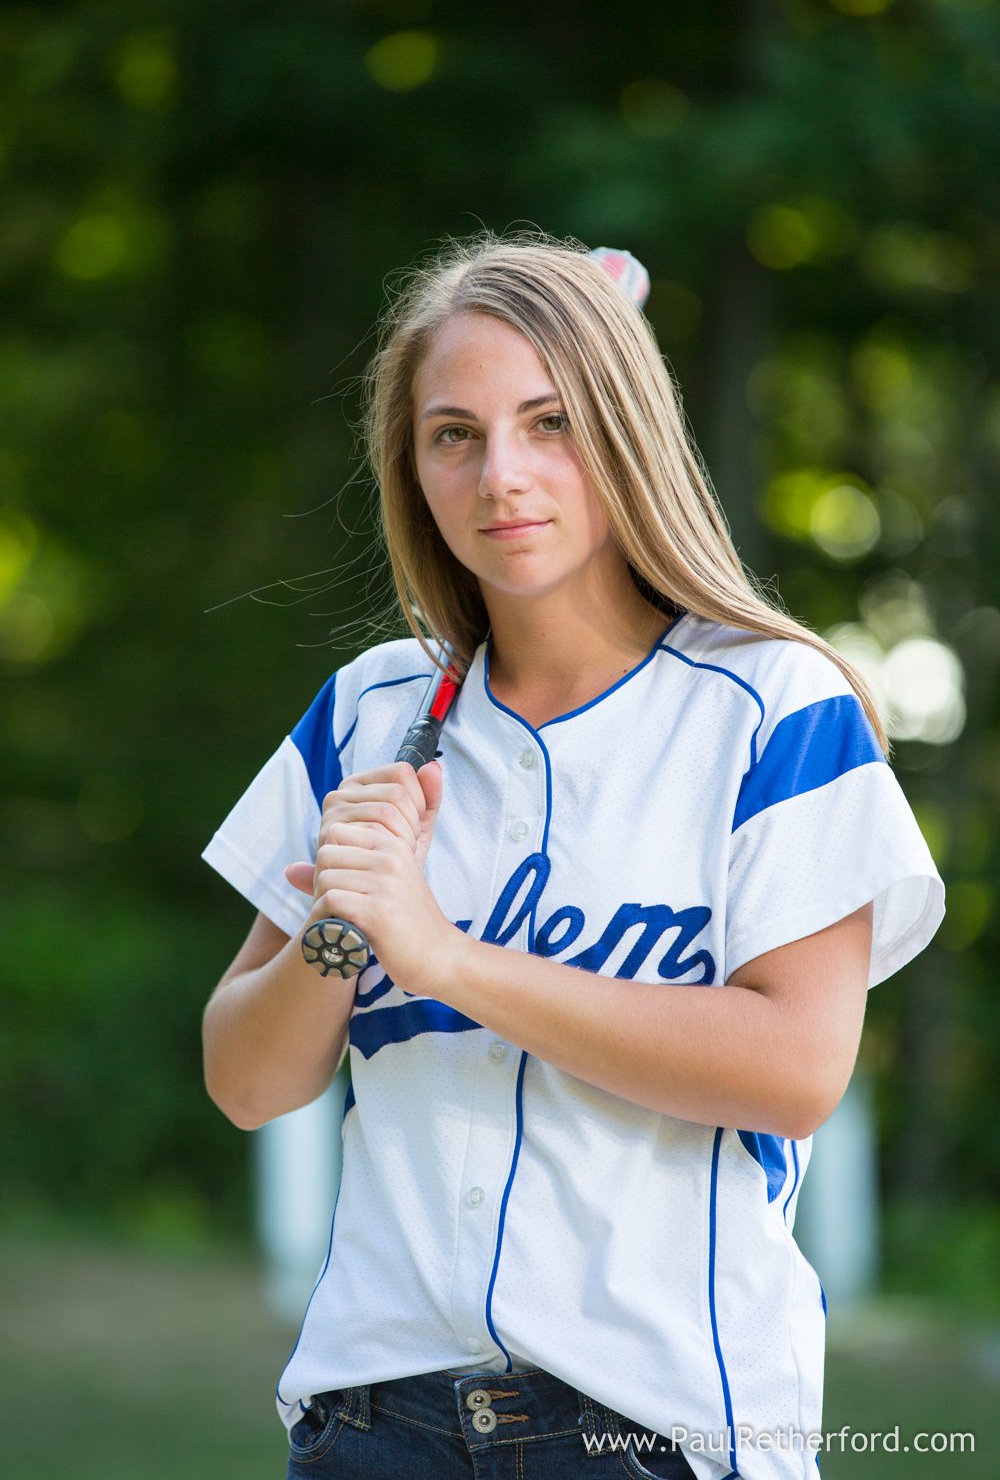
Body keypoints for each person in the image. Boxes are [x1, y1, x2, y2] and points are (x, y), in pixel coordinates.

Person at [201, 233, 945, 1480]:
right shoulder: (368, 711)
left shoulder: (774, 705)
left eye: (551, 423)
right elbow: (246, 1081)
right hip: (374, 1425)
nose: (502, 475)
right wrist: (345, 921)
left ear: (624, 432)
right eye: (455, 433)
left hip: (654, 1430)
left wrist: (439, 954)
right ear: (412, 466)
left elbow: (794, 1068)